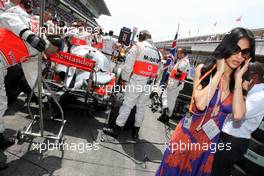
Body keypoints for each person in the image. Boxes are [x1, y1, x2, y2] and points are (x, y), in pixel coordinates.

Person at [156, 27, 255, 176]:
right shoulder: (204, 70)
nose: (239, 55)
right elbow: (201, 104)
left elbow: (239, 115)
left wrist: (240, 77)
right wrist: (220, 72)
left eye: (244, 52)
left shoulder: (239, 84)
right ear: (227, 47)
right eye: (235, 49)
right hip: (186, 138)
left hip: (208, 146)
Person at [0, 0, 47, 149]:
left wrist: (42, 96)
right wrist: (28, 35)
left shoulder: (37, 51)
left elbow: (32, 75)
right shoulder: (25, 18)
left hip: (2, 65)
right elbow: (5, 18)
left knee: (1, 104)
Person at [103, 30, 160, 139]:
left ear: (141, 36)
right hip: (149, 82)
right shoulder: (157, 52)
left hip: (137, 80)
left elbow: (128, 66)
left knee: (127, 105)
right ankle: (135, 131)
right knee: (141, 107)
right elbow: (159, 71)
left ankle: (116, 129)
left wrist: (124, 79)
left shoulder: (138, 46)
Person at [211, 61, 264, 176]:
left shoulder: (260, 96)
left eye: (243, 75)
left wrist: (239, 86)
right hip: (225, 136)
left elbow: (237, 114)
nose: (238, 77)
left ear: (253, 76)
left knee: (217, 172)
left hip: (233, 140)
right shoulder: (252, 91)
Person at [158, 48, 190, 122]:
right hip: (175, 83)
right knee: (169, 99)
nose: (177, 55)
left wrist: (178, 73)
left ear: (182, 54)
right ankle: (166, 114)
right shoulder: (183, 61)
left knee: (168, 99)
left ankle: (166, 114)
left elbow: (180, 69)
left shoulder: (184, 61)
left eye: (178, 53)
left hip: (175, 83)